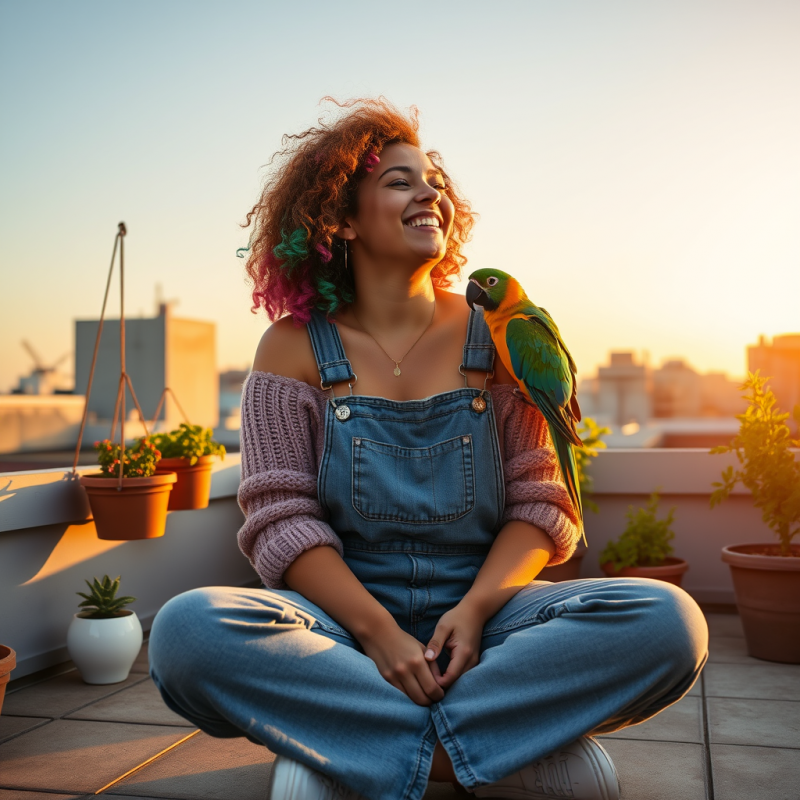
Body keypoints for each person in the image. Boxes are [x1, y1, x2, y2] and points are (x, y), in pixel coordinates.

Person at [149, 99, 708, 800]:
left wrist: (473, 613)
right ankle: (489, 752)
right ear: (342, 219)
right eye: (399, 181)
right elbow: (279, 521)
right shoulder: (288, 348)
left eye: (434, 180)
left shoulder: (500, 336)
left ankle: (348, 744)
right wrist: (380, 635)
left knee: (670, 624)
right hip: (341, 627)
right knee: (186, 636)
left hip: (489, 614)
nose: (431, 194)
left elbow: (541, 503)